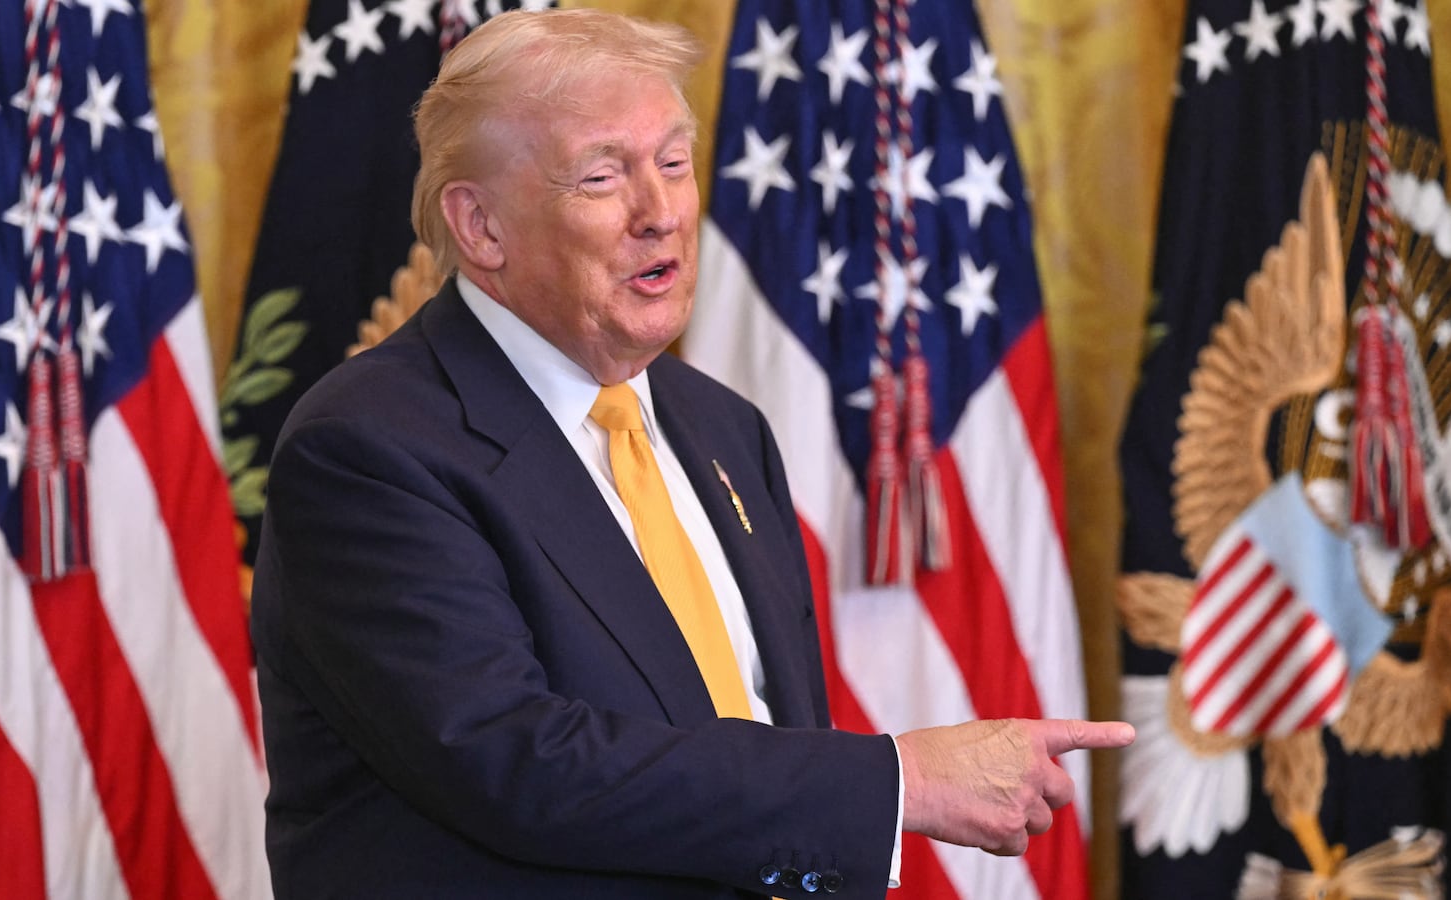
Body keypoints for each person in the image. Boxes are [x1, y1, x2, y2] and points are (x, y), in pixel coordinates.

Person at [249, 8, 1134, 899]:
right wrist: (901, 782)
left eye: (674, 163)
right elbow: (517, 762)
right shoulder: (369, 447)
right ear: (480, 227)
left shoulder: (723, 429)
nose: (661, 212)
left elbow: (762, 746)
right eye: (603, 176)